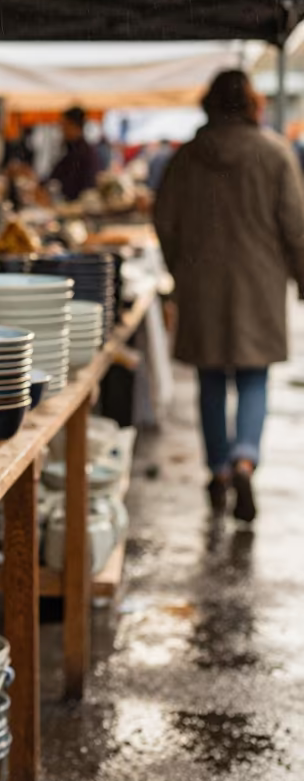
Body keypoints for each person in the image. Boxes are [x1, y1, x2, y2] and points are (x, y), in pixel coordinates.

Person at [155, 69, 304, 523]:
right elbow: (296, 227)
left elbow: (164, 219)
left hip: (202, 281)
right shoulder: (275, 154)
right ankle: (244, 458)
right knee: (255, 377)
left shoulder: (187, 158)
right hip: (259, 281)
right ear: (254, 104)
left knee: (211, 380)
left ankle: (218, 470)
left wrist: (179, 268)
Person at [48, 106, 100, 201]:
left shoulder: (82, 152)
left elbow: (78, 185)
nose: (62, 129)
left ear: (73, 125)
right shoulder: (73, 149)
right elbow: (56, 173)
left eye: (64, 125)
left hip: (79, 207)